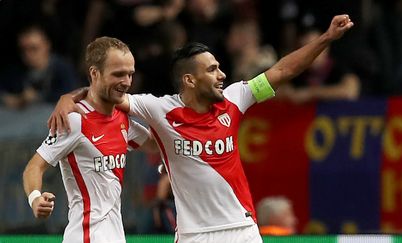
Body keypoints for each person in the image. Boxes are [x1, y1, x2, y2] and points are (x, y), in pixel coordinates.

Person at [48, 15, 353, 243]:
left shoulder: (236, 98)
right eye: (212, 69)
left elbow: (284, 70)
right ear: (190, 80)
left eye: (219, 67)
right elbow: (106, 91)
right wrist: (69, 97)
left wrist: (326, 37)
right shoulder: (159, 109)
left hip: (241, 229)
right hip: (194, 234)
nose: (222, 74)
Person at [22, 37, 155, 243]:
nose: (127, 82)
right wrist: (35, 199)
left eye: (130, 74)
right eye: (118, 74)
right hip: (86, 236)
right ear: (94, 73)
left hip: (115, 236)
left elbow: (156, 145)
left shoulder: (123, 120)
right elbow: (34, 167)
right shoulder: (75, 120)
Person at [1, 25, 79, 109]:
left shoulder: (62, 69)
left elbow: (73, 95)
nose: (28, 54)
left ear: (47, 45)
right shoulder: (17, 70)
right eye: (23, 50)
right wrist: (13, 99)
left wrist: (38, 97)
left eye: (34, 49)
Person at [277, 28, 360, 104]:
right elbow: (278, 90)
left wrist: (311, 93)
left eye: (317, 47)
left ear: (326, 48)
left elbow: (350, 92)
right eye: (306, 48)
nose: (311, 53)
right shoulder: (296, 71)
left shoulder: (338, 68)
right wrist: (288, 92)